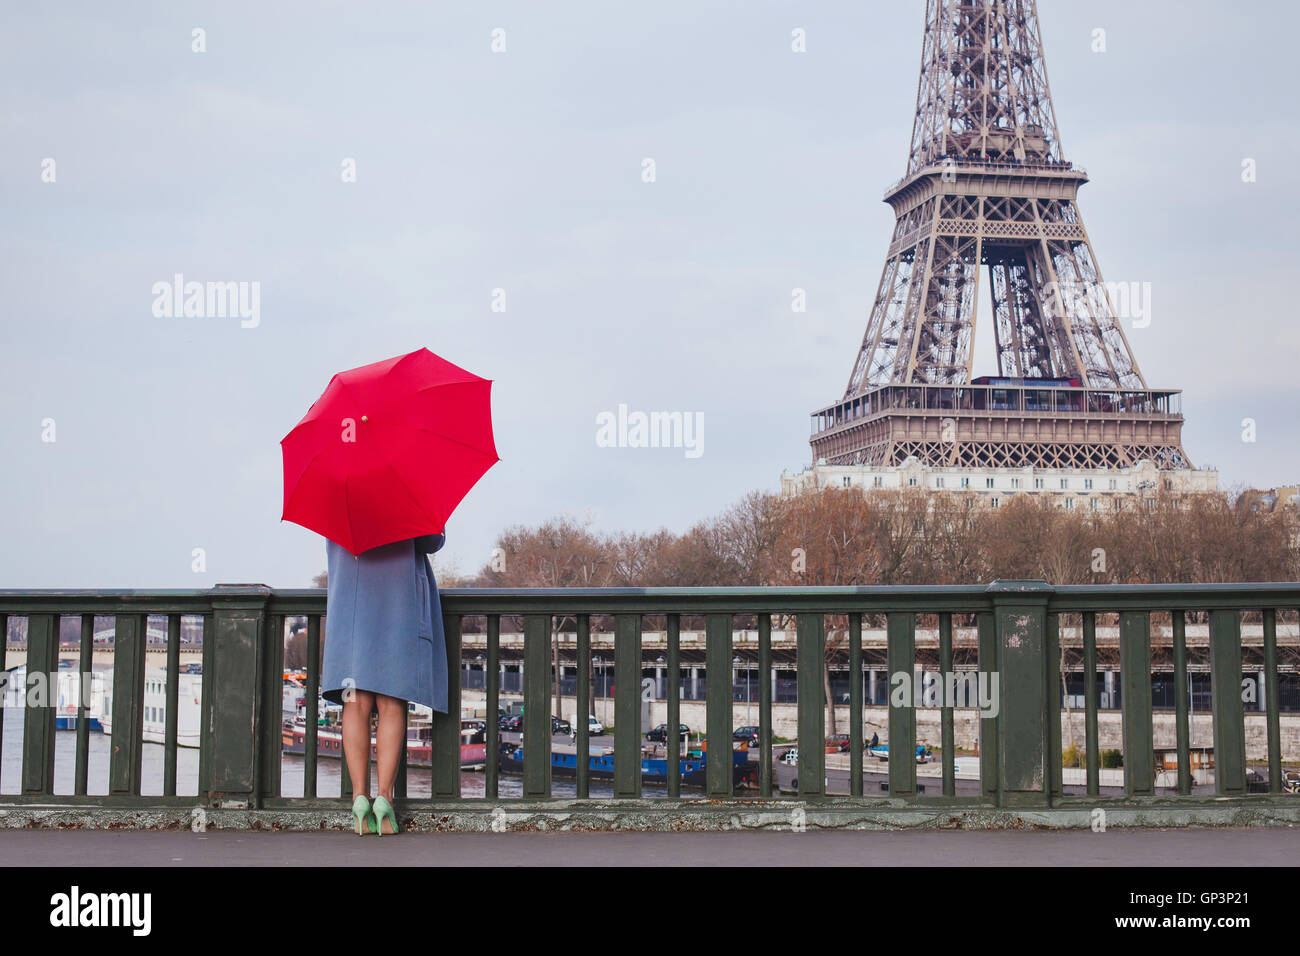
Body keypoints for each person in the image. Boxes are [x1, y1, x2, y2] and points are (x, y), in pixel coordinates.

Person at [321, 532, 448, 835]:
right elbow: (432, 542)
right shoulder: (409, 489)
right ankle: (384, 799)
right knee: (391, 703)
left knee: (355, 702)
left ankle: (359, 798)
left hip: (351, 602)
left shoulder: (338, 490)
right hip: (398, 600)